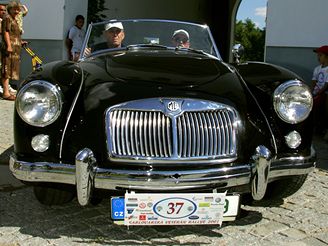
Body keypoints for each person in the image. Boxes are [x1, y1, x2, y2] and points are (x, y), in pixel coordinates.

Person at [1, 1, 24, 100]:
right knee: (6, 69)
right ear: (10, 9)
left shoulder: (14, 19)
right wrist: (9, 46)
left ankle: (8, 91)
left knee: (11, 69)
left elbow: (14, 34)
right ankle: (6, 93)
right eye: (15, 9)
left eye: (18, 9)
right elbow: (5, 32)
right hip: (9, 48)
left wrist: (20, 41)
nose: (17, 11)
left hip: (15, 47)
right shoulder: (7, 18)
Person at [311, 45, 328, 135]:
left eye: (320, 55)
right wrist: (311, 92)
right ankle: (314, 126)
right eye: (318, 55)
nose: (318, 58)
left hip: (323, 92)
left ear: (326, 57)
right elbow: (313, 81)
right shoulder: (317, 69)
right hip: (316, 93)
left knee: (320, 108)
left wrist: (317, 93)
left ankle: (321, 128)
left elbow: (326, 85)